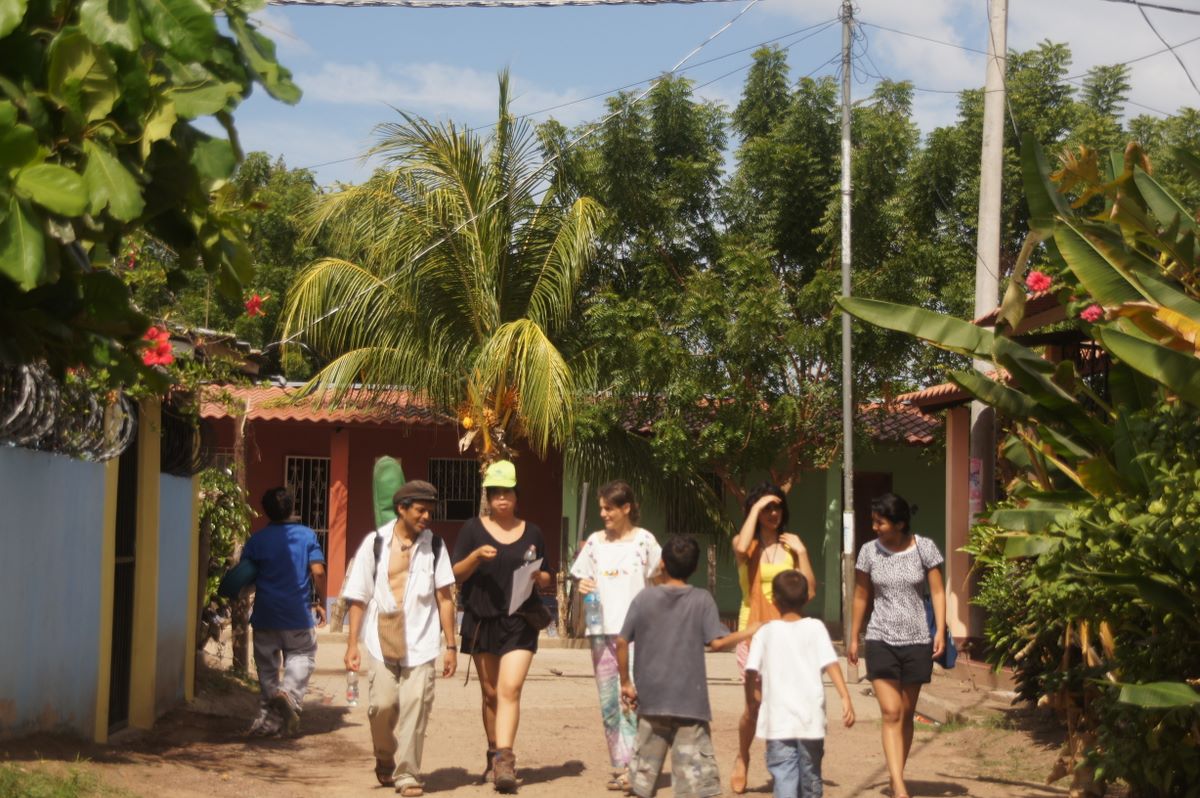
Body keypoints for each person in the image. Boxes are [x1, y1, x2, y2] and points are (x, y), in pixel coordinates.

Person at [617, 535, 757, 798]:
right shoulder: (702, 599)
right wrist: (749, 631)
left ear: (662, 563)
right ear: (695, 568)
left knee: (641, 783)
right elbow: (717, 643)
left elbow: (622, 641)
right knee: (695, 787)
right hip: (690, 705)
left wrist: (626, 682)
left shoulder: (644, 599)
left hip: (651, 702)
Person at [343, 480, 457, 797]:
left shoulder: (436, 546)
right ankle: (384, 755)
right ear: (401, 509)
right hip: (382, 637)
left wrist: (451, 645)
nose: (426, 517)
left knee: (416, 707)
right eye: (420, 510)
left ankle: (407, 774)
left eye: (430, 511)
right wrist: (352, 645)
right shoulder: (375, 543)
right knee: (381, 706)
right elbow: (358, 596)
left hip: (422, 640)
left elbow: (445, 598)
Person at [452, 460, 553, 793]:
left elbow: (548, 575)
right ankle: (494, 752)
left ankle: (505, 760)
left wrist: (541, 577)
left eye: (507, 492)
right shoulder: (472, 530)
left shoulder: (533, 532)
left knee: (510, 689)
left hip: (521, 621)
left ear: (516, 495)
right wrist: (475, 557)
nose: (502, 498)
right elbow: (455, 574)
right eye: (495, 493)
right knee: (491, 693)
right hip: (482, 621)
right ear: (488, 497)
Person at [848, 493, 947, 798]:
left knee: (905, 713)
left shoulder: (924, 548)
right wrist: (853, 635)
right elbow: (861, 595)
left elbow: (938, 592)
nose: (874, 527)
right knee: (891, 712)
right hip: (880, 639)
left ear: (900, 524)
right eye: (873, 521)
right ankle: (900, 787)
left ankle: (895, 776)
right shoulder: (868, 552)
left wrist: (940, 630)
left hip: (917, 641)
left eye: (880, 522)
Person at [570, 481, 662, 792]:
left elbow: (660, 582)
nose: (603, 514)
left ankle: (637, 767)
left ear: (626, 508)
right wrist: (582, 586)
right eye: (601, 508)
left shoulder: (645, 541)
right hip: (601, 633)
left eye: (609, 508)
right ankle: (624, 766)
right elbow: (582, 578)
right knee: (610, 702)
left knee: (633, 699)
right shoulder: (595, 543)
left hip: (637, 633)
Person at [730, 483, 818, 794]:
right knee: (754, 706)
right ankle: (743, 756)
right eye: (766, 508)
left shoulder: (792, 547)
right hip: (753, 631)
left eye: (777, 507)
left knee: (782, 704)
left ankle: (784, 766)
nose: (773, 513)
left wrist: (803, 552)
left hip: (786, 635)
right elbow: (740, 548)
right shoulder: (747, 545)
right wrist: (754, 507)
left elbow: (809, 591)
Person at [744, 570, 855, 798]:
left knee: (784, 775)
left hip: (777, 721)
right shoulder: (816, 628)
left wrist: (751, 701)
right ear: (806, 598)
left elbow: (750, 671)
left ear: (773, 599)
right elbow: (831, 663)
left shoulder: (764, 632)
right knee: (810, 775)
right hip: (810, 721)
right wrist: (845, 697)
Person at [242, 487, 327, 737]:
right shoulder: (306, 535)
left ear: (266, 511)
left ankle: (268, 723)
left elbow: (244, 576)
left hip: (265, 614)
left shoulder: (256, 540)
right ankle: (288, 696)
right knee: (302, 656)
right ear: (292, 507)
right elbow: (318, 572)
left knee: (267, 669)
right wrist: (321, 601)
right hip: (296, 614)